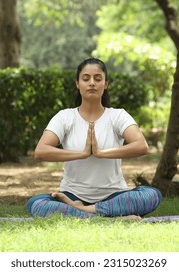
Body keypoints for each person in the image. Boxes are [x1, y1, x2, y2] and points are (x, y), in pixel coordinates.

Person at [26, 58, 162, 220]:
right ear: (77, 83)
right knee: (36, 203)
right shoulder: (65, 117)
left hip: (114, 195)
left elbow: (141, 146)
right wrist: (83, 154)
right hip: (72, 195)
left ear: (105, 84)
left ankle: (86, 212)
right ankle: (109, 218)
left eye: (98, 79)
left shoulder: (118, 115)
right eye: (86, 79)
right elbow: (41, 151)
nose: (92, 83)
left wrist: (100, 153)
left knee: (151, 195)